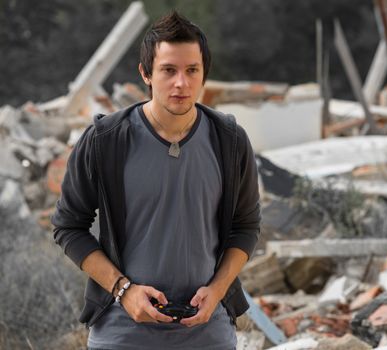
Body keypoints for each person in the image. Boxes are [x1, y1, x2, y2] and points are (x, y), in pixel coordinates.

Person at [51, 10, 260, 349]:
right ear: (145, 74)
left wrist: (219, 289)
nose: (182, 82)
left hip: (208, 334)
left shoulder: (230, 141)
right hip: (122, 334)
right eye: (168, 70)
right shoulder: (105, 141)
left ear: (204, 73)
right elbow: (68, 226)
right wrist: (123, 290)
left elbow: (246, 226)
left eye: (192, 70)